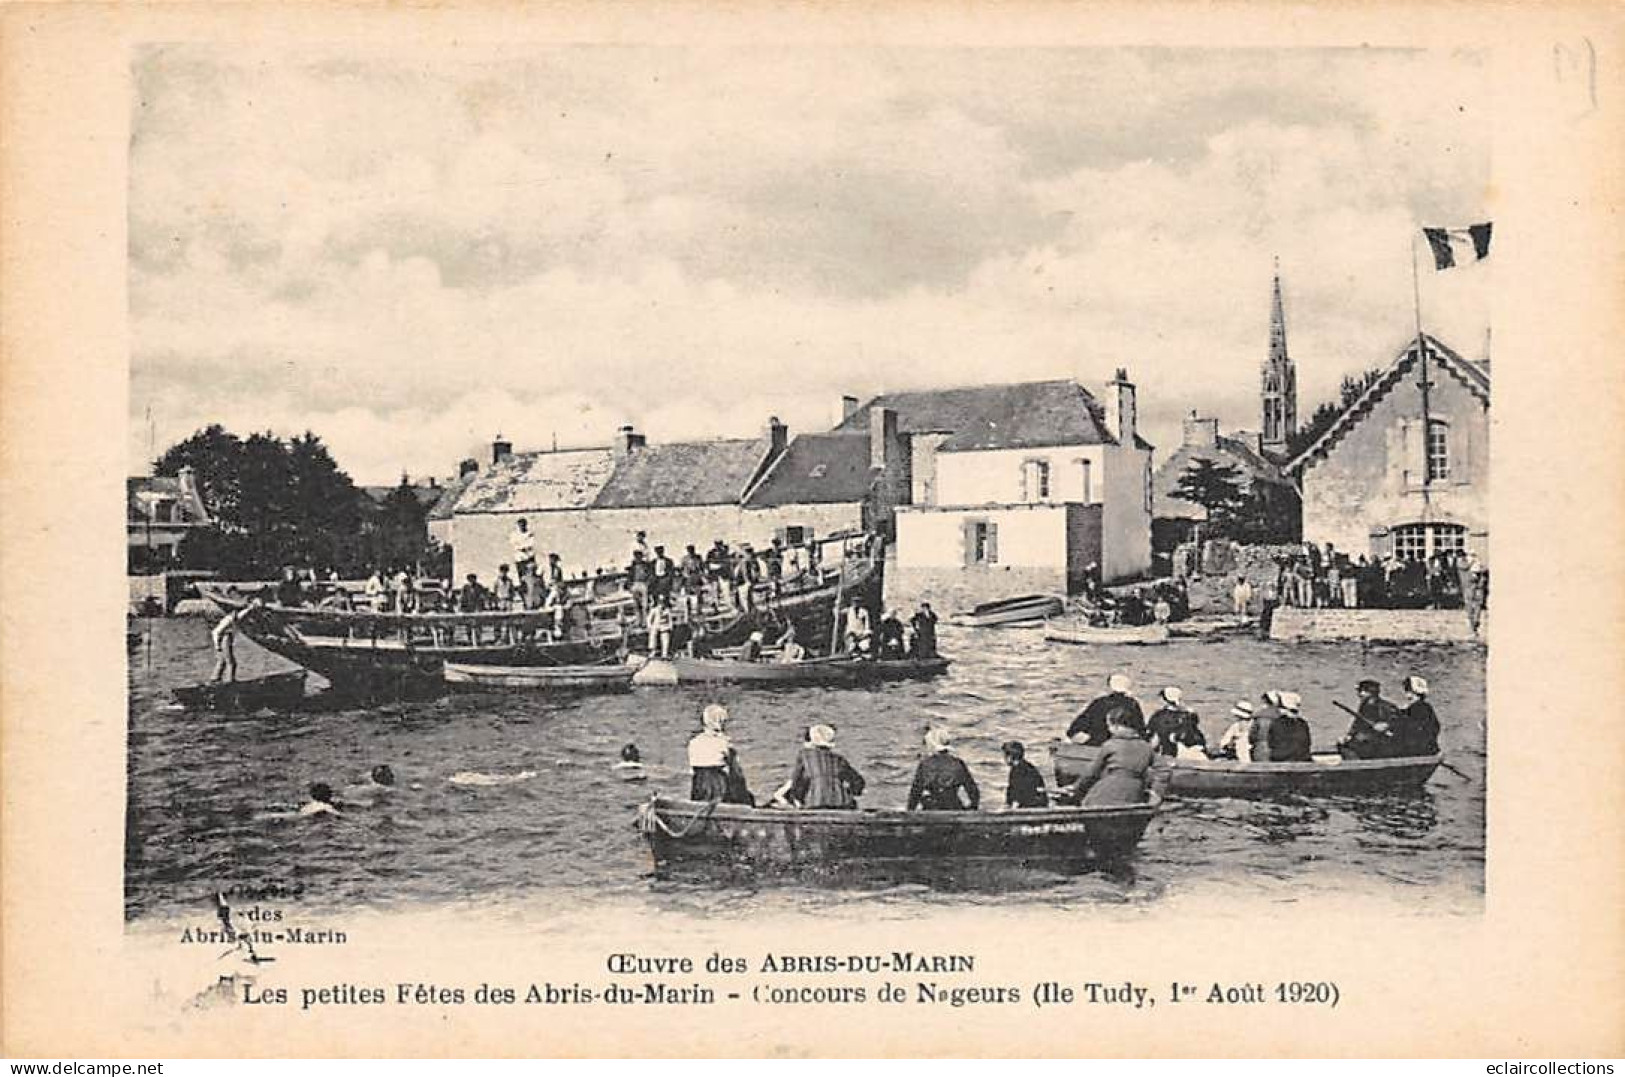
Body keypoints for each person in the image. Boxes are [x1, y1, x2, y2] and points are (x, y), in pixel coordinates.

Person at [1060, 712, 1157, 806]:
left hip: (1110, 789)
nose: (1109, 730)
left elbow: (1091, 773)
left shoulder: (1111, 745)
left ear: (1117, 726)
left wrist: (1075, 788)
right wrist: (1157, 791)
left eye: (1109, 726)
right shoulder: (1146, 747)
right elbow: (1163, 769)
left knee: (1088, 801)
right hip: (1135, 791)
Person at [774, 724, 866, 809]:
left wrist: (796, 801)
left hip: (815, 803)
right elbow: (858, 782)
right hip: (842, 804)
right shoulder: (839, 759)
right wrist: (848, 793)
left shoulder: (804, 756)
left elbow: (797, 784)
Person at [687, 704, 752, 804]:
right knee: (746, 794)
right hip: (717, 785)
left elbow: (692, 770)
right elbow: (736, 773)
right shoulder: (724, 742)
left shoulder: (693, 742)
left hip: (699, 785)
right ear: (720, 723)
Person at [907, 728, 980, 811]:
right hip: (954, 807)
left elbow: (915, 794)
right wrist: (972, 809)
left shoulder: (925, 765)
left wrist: (910, 812)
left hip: (931, 809)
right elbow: (974, 792)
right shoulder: (958, 763)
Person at [1067, 672, 1144, 746]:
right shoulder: (1133, 704)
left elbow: (1076, 727)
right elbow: (1140, 729)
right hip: (1126, 745)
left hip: (1098, 743)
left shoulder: (1099, 703)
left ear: (1109, 686)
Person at [1340, 679, 1401, 759]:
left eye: (1363, 691)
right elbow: (1357, 724)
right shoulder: (1364, 707)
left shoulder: (1387, 706)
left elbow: (1398, 723)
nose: (1360, 694)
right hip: (1367, 741)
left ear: (1371, 693)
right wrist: (1349, 735)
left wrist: (1386, 725)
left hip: (1381, 742)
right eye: (1360, 691)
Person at [210, 599, 261, 683]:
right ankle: (229, 680)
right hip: (224, 638)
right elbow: (216, 632)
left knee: (222, 660)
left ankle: (215, 678)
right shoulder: (229, 620)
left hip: (225, 638)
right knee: (231, 662)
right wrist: (217, 646)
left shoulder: (233, 618)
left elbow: (243, 613)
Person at [1392, 675, 1441, 756]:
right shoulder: (1423, 707)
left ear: (1414, 692)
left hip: (1419, 748)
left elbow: (1411, 727)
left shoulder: (1418, 708)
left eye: (1407, 690)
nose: (1406, 693)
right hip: (1427, 746)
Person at [1147, 686, 1196, 757]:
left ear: (1165, 700)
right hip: (1184, 751)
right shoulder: (1189, 716)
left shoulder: (1159, 716)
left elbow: (1153, 736)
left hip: (1165, 752)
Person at [1268, 691, 1314, 762]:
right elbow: (1307, 743)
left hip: (1282, 760)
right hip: (1302, 759)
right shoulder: (1302, 723)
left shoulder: (1277, 723)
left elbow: (1271, 742)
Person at [1001, 741, 1047, 809]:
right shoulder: (1019, 768)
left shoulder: (1022, 770)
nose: (1004, 758)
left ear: (1011, 756)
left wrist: (1014, 805)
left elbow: (1024, 791)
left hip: (1033, 806)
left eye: (1005, 755)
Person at [1248, 690, 1283, 762]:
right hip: (1278, 751)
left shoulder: (1258, 717)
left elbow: (1252, 737)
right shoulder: (1281, 717)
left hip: (1260, 750)